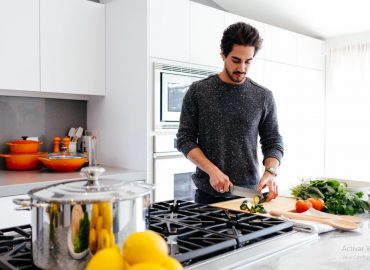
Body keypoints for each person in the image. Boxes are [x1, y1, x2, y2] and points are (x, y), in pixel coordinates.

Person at [176, 22, 284, 204]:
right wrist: (212, 170)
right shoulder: (198, 91)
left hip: (249, 197)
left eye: (248, 61)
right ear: (223, 55)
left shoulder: (263, 96)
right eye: (236, 60)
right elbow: (184, 139)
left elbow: (273, 141)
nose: (242, 68)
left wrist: (270, 171)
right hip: (207, 198)